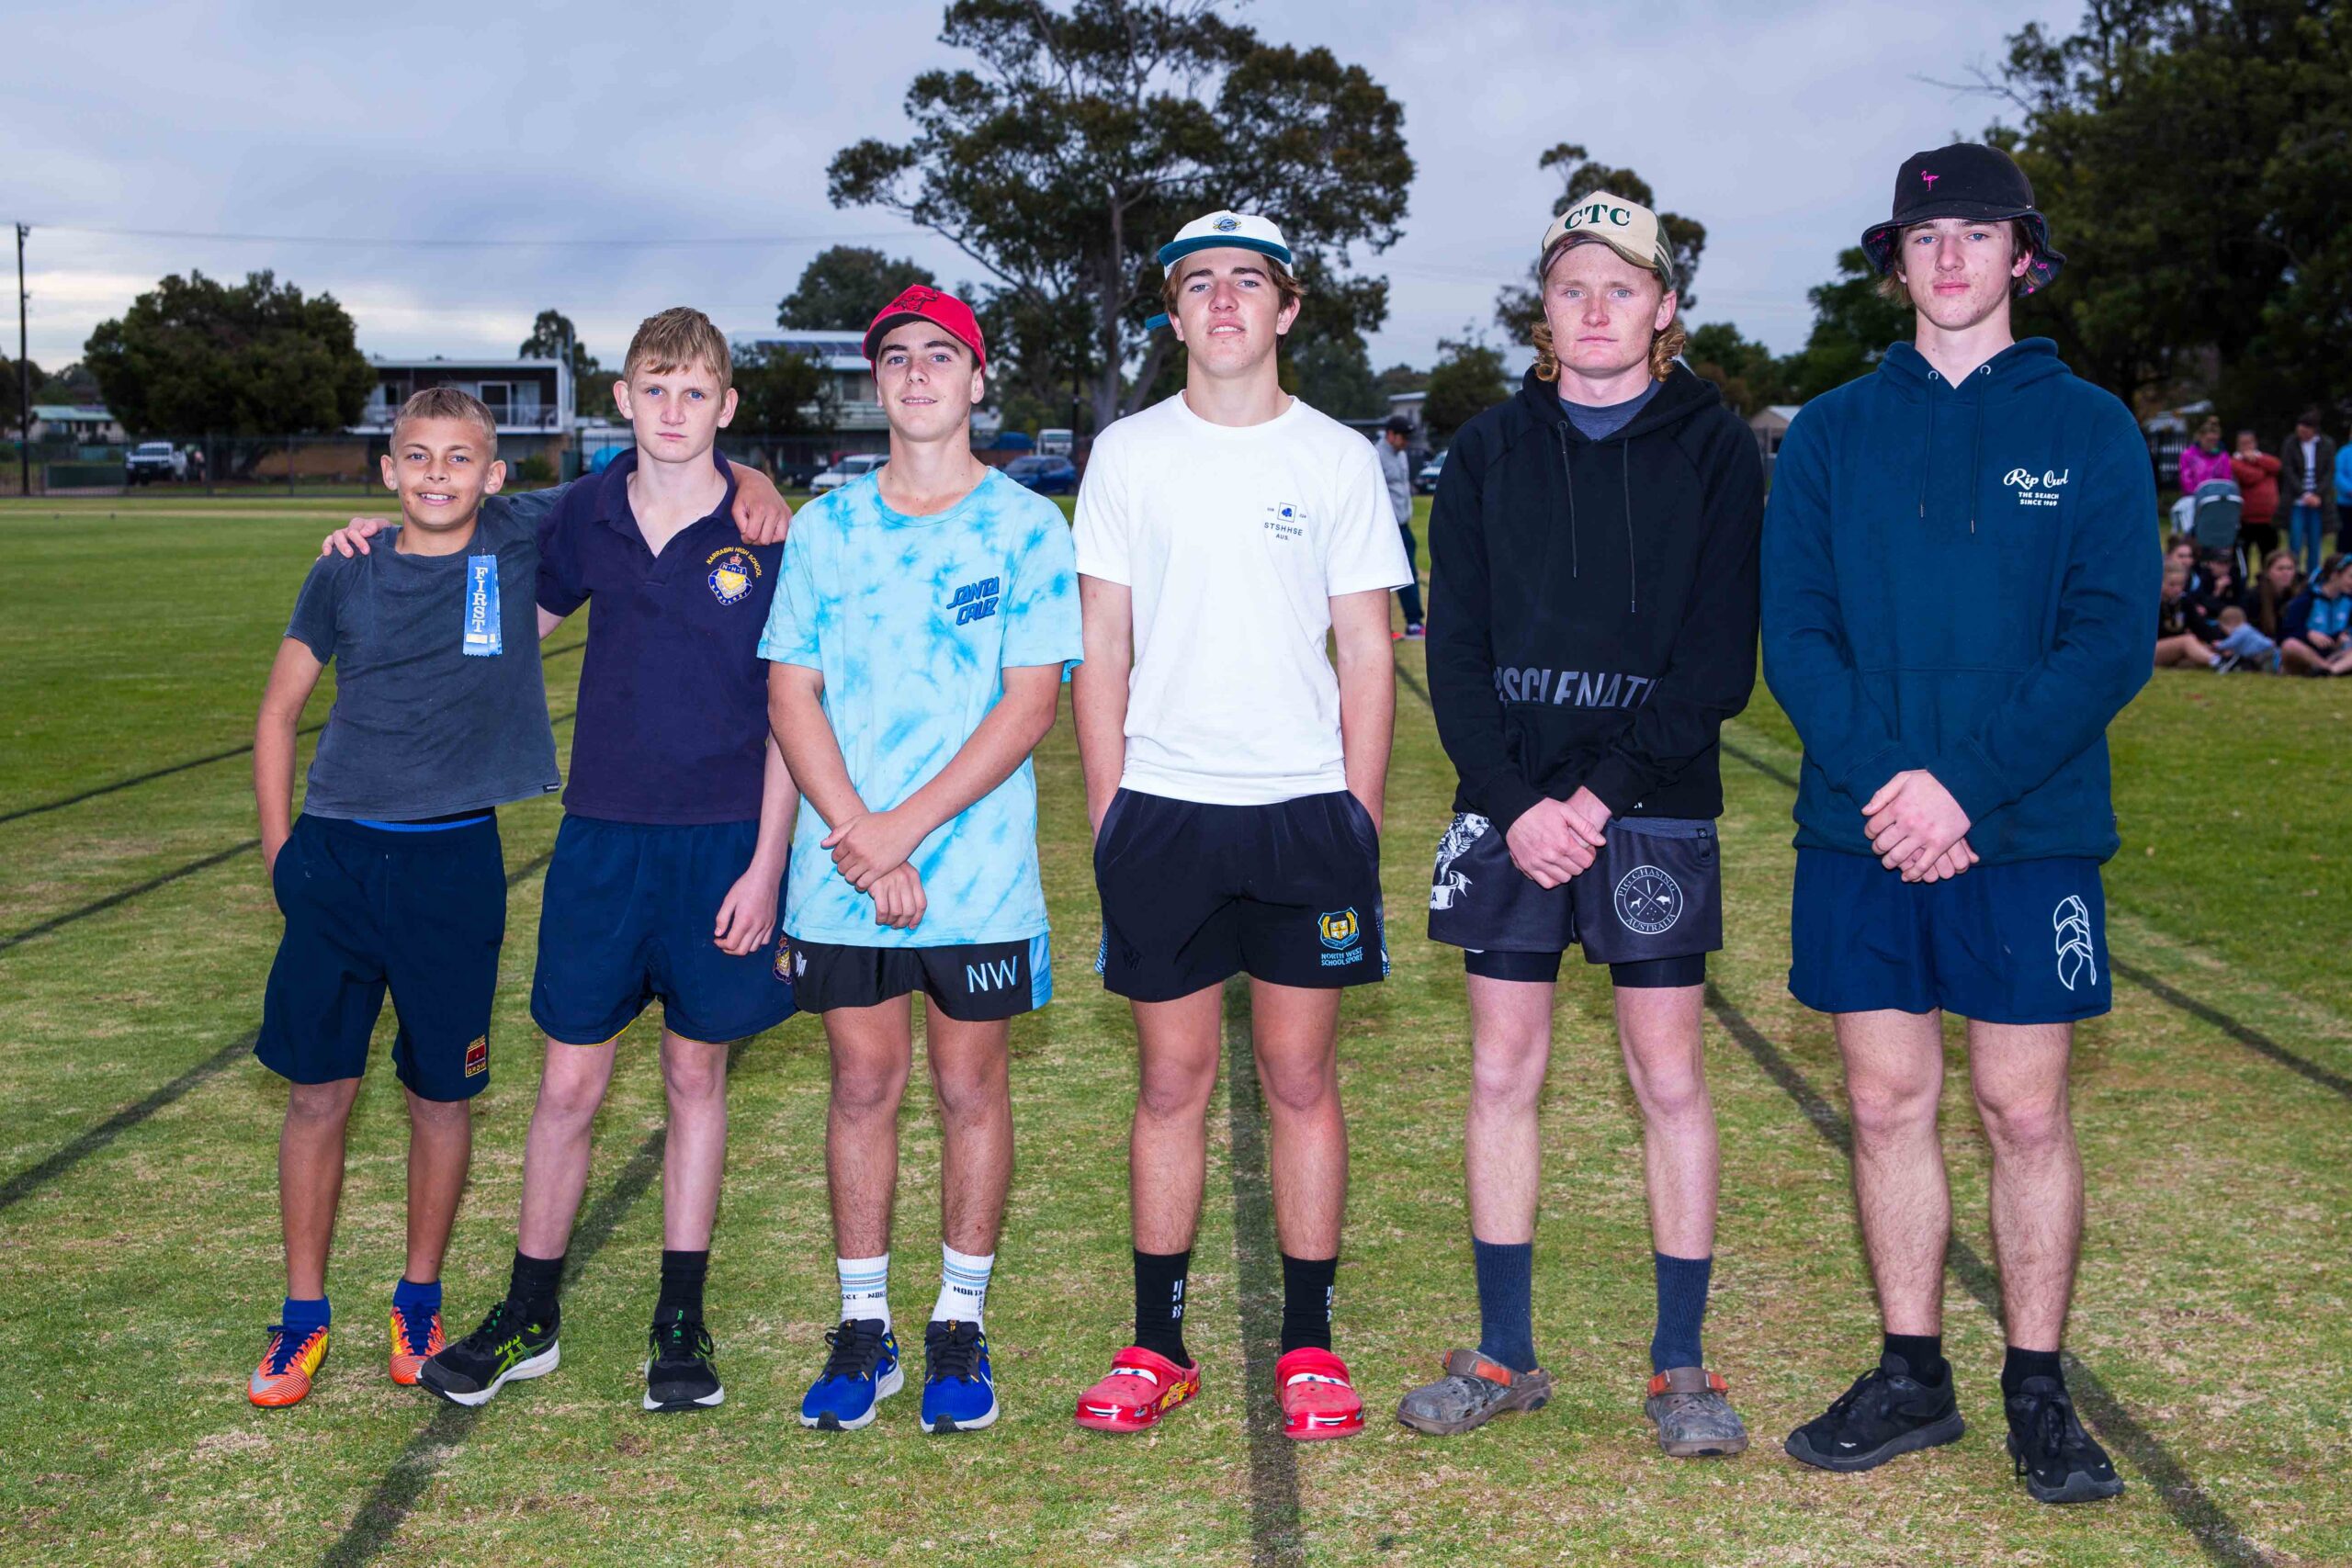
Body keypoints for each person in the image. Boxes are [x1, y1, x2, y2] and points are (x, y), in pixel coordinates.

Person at [1763, 142, 2155, 1506]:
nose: (1949, 259)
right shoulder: (1826, 432)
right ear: (1895, 263)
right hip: (1860, 826)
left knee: (2022, 1105)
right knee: (1884, 1099)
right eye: (1925, 239)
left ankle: (2037, 1385)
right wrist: (1891, 786)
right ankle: (1912, 1372)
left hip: (2026, 827)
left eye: (1977, 235)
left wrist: (1966, 787)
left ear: (2020, 258)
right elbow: (1797, 639)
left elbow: (2109, 641)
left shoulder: (2091, 427)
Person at [1403, 191, 1763, 1457]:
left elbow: (1718, 658)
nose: (1596, 308)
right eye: (1571, 286)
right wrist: (1520, 806)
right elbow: (1457, 656)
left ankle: (1681, 1366)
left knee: (1670, 1076)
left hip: (1652, 809)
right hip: (1511, 810)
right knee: (1504, 1070)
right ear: (1542, 310)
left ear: (1665, 306)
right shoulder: (1490, 449)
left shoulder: (1720, 450)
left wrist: (1597, 798)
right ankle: (1505, 1352)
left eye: (1622, 285)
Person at [397, 308, 803, 1415]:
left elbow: (793, 714)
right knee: (569, 1081)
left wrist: (770, 864)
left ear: (726, 407)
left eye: (696, 393)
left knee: (694, 1075)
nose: (674, 412)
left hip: (726, 843)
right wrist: (377, 545)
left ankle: (682, 1314)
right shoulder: (580, 514)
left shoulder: (770, 533)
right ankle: (531, 1310)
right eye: (653, 390)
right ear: (620, 399)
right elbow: (481, 569)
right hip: (601, 838)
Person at [1069, 209, 1409, 1441]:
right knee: (1171, 1079)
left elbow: (1368, 647)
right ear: (1171, 312)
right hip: (1163, 813)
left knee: (1301, 1075)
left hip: (1303, 814)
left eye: (1246, 281)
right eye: (1198, 283)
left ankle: (1309, 1340)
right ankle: (1158, 1342)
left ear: (1288, 307)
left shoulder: (1334, 457)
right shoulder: (1127, 455)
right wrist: (1111, 813)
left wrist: (1355, 815)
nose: (1222, 301)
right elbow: (1100, 647)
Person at [762, 286, 1081, 1434]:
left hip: (976, 870)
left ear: (977, 377)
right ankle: (864, 1326)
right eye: (894, 356)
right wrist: (860, 831)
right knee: (862, 1085)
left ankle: (959, 1319)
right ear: (877, 382)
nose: (915, 374)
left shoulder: (1028, 527)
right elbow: (789, 687)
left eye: (939, 355)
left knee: (968, 1086)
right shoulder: (825, 527)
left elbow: (1030, 702)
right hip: (842, 866)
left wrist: (901, 832)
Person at [246, 389, 562, 1407]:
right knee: (316, 1094)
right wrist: (280, 852)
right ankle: (301, 1319)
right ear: (387, 471)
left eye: (460, 459)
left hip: (453, 867)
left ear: (494, 475)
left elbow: (656, 473)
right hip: (336, 861)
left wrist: (748, 486)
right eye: (417, 457)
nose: (437, 475)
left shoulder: (515, 540)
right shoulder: (344, 567)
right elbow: (278, 711)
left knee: (442, 1096)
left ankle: (416, 1299)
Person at [1379, 413, 1426, 639]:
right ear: (1390, 435)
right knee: (1379, 579)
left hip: (1402, 525)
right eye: (1403, 437)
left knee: (1408, 573)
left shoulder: (1402, 455)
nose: (1406, 441)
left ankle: (1414, 623)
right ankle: (1382, 629)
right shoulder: (1375, 455)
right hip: (1384, 529)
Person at [2280, 410, 2337, 577]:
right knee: (2295, 542)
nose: (2302, 434)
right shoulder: (2290, 443)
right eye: (2300, 430)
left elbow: (2329, 472)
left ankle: (2312, 577)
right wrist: (2304, 494)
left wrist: (2317, 495)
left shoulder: (2327, 444)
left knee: (2315, 543)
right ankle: (2294, 577)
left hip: (2317, 502)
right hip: (2297, 501)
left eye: (2306, 431)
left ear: (2314, 430)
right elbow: (2288, 471)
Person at [2280, 553, 2352, 675]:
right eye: (2350, 577)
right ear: (2335, 575)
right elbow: (2287, 632)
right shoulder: (2308, 599)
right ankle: (2325, 668)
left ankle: (2331, 671)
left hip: (2335, 654)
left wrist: (2343, 637)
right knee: (2290, 645)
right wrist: (2308, 634)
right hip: (2308, 653)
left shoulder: (2348, 601)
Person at [2232, 430, 2281, 572]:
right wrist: (2263, 471)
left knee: (2269, 558)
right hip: (2245, 520)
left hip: (2268, 519)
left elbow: (2276, 465)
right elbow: (2250, 476)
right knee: (2242, 559)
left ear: (2255, 443)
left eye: (2249, 443)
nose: (2247, 447)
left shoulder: (2263, 459)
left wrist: (2257, 460)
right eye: (2243, 444)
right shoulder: (2234, 461)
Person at [2154, 563, 2217, 670]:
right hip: (2149, 651)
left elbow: (2201, 628)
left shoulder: (2184, 602)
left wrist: (2218, 640)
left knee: (2196, 654)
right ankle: (2219, 662)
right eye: (2172, 585)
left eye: (2181, 584)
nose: (2177, 589)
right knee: (2187, 641)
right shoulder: (2150, 604)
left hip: (2174, 647)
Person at [2177, 415, 2231, 495]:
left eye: (2215, 441)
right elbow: (2186, 479)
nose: (2212, 444)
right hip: (2193, 497)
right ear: (2201, 437)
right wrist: (2198, 495)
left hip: (2216, 497)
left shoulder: (2223, 456)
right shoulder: (2188, 455)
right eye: (2209, 440)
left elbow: (2226, 479)